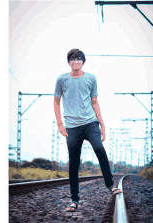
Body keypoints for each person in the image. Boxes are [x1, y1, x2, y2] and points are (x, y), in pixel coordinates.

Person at [53, 48, 122, 212]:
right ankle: (74, 200)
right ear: (68, 62)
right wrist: (60, 124)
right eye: (72, 59)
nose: (76, 62)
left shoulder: (91, 78)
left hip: (91, 122)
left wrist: (102, 123)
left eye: (79, 59)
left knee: (99, 148)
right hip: (71, 126)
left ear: (83, 61)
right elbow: (56, 102)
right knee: (74, 162)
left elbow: (95, 102)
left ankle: (111, 185)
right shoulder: (61, 79)